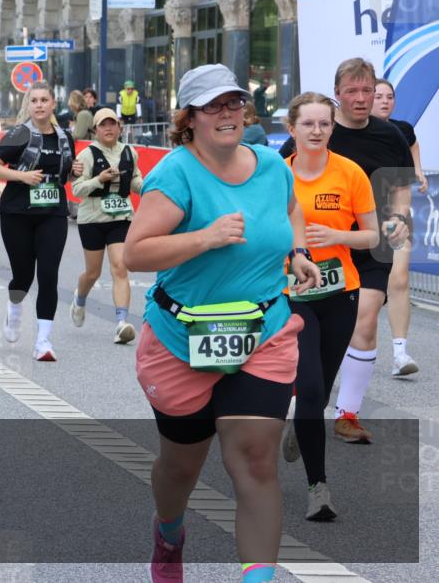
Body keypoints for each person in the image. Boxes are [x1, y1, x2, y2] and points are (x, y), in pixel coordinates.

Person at [123, 63, 320, 583]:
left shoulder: (271, 166)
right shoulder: (176, 173)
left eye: (234, 102)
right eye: (213, 106)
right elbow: (135, 252)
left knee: (256, 462)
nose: (228, 113)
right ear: (189, 119)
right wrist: (204, 237)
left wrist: (298, 251)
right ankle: (169, 535)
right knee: (179, 469)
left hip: (263, 333)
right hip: (183, 340)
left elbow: (291, 208)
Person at [281, 59, 414, 443]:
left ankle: (346, 414)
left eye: (367, 90)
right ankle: (311, 403)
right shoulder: (318, 127)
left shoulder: (390, 135)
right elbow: (280, 181)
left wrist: (401, 217)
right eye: (352, 91)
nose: (360, 98)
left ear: (376, 93)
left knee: (366, 321)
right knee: (317, 337)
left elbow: (400, 189)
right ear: (337, 93)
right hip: (319, 244)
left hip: (370, 241)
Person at [279, 92, 378, 522]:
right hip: (293, 295)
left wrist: (336, 237)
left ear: (332, 128)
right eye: (308, 124)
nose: (317, 131)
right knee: (313, 388)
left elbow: (373, 237)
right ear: (292, 129)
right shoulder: (277, 176)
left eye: (324, 124)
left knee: (317, 395)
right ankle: (318, 488)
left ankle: (302, 421)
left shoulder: (350, 173)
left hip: (342, 294)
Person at [0, 81, 82, 362]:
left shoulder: (65, 137)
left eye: (44, 100)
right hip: (17, 213)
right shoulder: (19, 134)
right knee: (23, 276)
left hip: (52, 212)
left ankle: (43, 342)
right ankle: (14, 309)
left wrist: (75, 170)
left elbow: (67, 176)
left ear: (53, 104)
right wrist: (22, 177)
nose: (39, 105)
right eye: (34, 100)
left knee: (48, 275)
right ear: (29, 105)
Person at [69, 107, 142, 344]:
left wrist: (149, 184)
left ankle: (121, 323)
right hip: (92, 219)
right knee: (93, 273)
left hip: (121, 217)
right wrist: (100, 179)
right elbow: (77, 189)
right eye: (103, 125)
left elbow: (135, 181)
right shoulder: (87, 155)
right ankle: (79, 299)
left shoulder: (130, 152)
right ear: (96, 130)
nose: (108, 128)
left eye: (112, 124)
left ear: (119, 127)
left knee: (120, 267)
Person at [372, 78, 429, 376]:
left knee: (400, 279)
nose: (384, 101)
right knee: (362, 293)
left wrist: (417, 169)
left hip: (395, 213)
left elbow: (412, 144)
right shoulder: (347, 131)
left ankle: (400, 353)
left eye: (389, 96)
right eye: (378, 95)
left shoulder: (402, 129)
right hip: (356, 218)